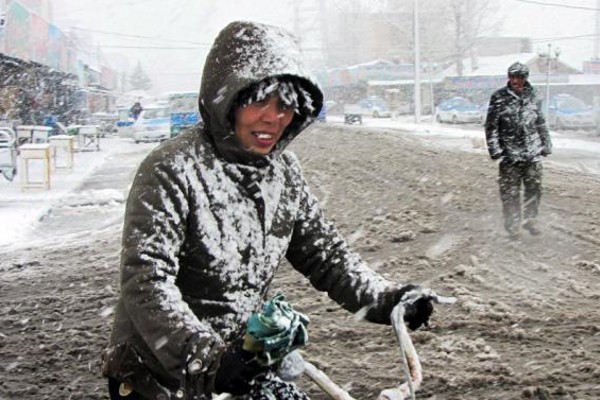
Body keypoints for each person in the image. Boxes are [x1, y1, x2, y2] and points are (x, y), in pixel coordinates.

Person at [101, 20, 436, 400]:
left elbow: (326, 256)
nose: (273, 118)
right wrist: (207, 360)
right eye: (259, 101)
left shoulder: (284, 173)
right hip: (159, 376)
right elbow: (146, 282)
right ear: (224, 99)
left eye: (285, 106)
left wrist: (387, 300)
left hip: (242, 365)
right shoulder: (171, 169)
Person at [485, 62, 553, 238]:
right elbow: (491, 126)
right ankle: (513, 225)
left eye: (520, 77)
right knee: (510, 193)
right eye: (512, 77)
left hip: (532, 152)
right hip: (509, 154)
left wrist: (546, 144)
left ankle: (530, 220)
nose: (515, 80)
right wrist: (495, 149)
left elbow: (540, 122)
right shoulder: (498, 97)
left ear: (526, 78)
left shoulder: (534, 96)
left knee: (534, 189)